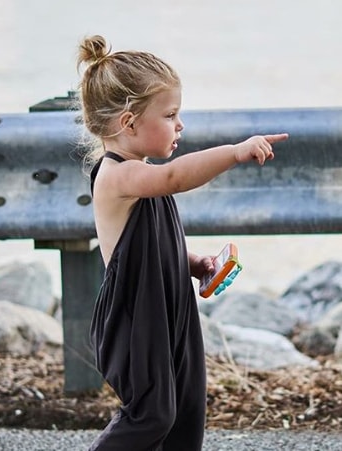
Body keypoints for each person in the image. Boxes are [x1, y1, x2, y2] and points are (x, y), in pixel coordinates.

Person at [76, 34, 288, 451]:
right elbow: (174, 176)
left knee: (187, 411)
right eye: (170, 114)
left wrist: (193, 263)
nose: (180, 124)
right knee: (152, 414)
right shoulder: (119, 175)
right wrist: (235, 151)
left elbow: (150, 246)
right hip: (137, 317)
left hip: (170, 305)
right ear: (129, 122)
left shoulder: (140, 173)